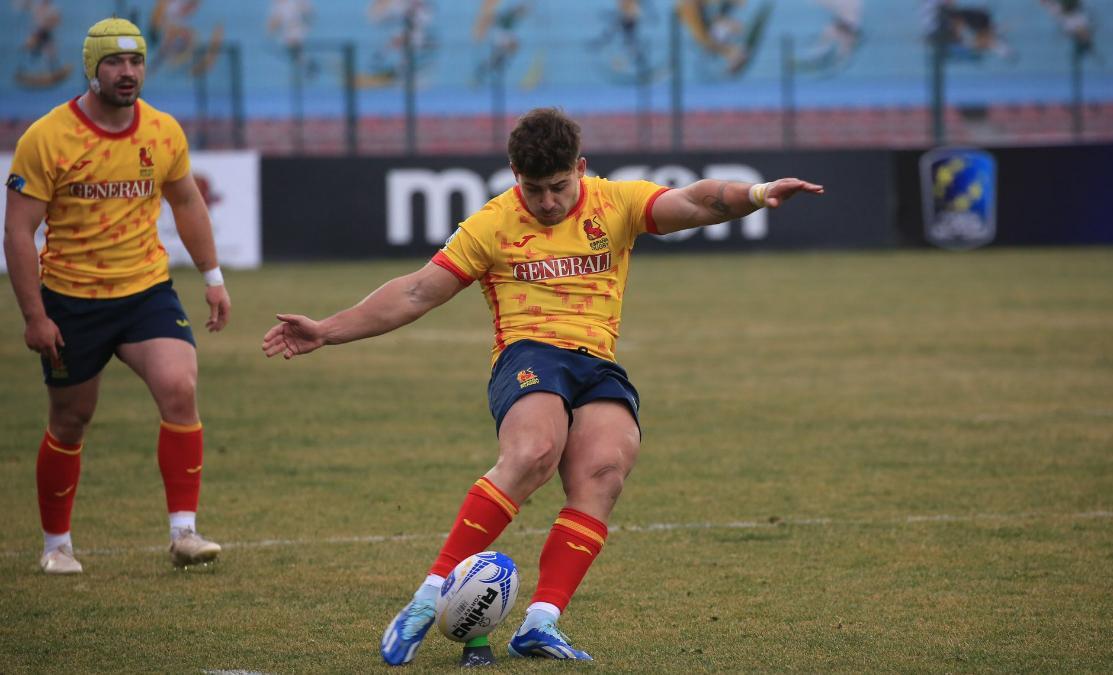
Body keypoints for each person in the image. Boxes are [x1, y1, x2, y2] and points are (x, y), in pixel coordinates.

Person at [261, 107, 823, 663]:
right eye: (535, 190)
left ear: (580, 167)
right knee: (533, 451)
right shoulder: (492, 223)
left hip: (596, 363)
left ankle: (540, 623)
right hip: (528, 355)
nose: (548, 202)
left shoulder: (615, 202)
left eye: (558, 186)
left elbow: (697, 201)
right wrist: (327, 331)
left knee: (604, 473)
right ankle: (427, 599)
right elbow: (415, 293)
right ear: (514, 176)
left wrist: (758, 193)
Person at [3, 17, 232, 574]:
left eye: (135, 62)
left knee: (180, 387)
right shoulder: (47, 138)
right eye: (114, 63)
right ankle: (56, 545)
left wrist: (212, 276)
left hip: (145, 291)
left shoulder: (162, 131)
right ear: (92, 68)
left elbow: (186, 203)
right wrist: (35, 316)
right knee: (71, 420)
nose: (127, 73)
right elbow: (17, 230)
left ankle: (185, 533)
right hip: (71, 299)